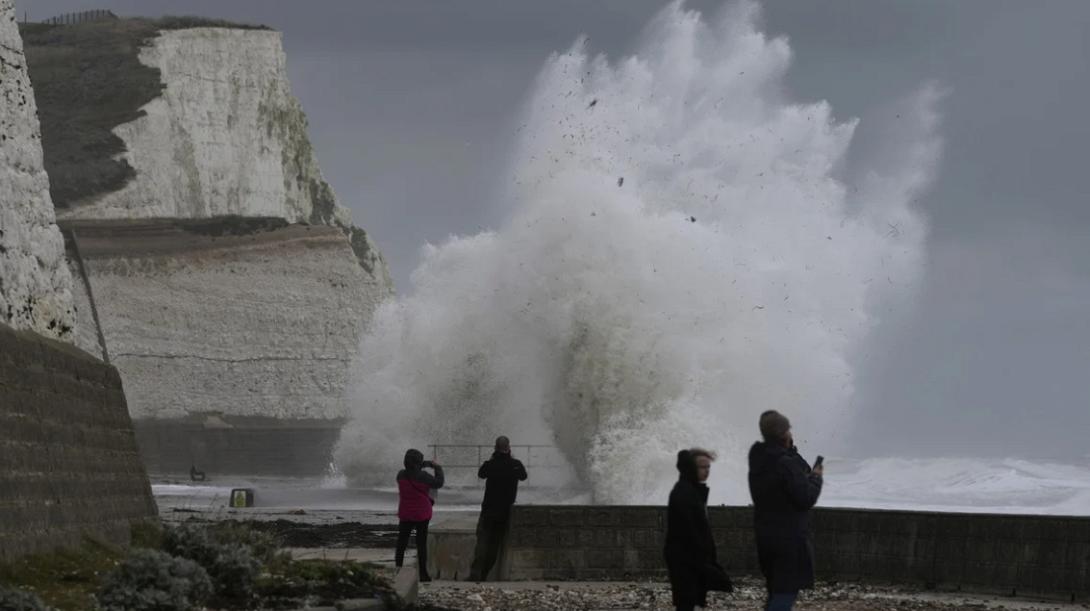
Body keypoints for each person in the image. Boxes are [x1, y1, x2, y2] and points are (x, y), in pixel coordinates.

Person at [747, 411, 823, 611]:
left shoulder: (758, 460)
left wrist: (789, 450)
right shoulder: (785, 464)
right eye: (788, 429)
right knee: (784, 594)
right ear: (782, 434)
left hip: (765, 537)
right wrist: (816, 477)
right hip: (788, 540)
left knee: (775, 591)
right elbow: (806, 498)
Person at [664, 448, 733, 611]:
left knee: (692, 602)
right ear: (690, 467)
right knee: (687, 603)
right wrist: (704, 561)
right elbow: (688, 532)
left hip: (693, 559)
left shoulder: (693, 490)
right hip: (685, 560)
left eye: (708, 467)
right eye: (702, 467)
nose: (706, 471)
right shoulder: (683, 492)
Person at [468, 436, 528, 581]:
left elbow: (481, 474)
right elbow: (524, 476)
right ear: (509, 448)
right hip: (505, 512)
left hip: (489, 510)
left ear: (495, 448)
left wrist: (494, 457)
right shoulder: (515, 464)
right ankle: (484, 574)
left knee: (482, 543)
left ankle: (476, 574)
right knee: (494, 545)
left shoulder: (491, 464)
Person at [396, 448, 444, 582]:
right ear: (418, 462)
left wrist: (422, 464)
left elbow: (412, 470)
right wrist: (437, 467)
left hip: (405, 513)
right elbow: (439, 482)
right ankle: (423, 574)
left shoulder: (400, 475)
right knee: (421, 544)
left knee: (402, 543)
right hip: (422, 514)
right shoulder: (423, 477)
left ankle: (398, 568)